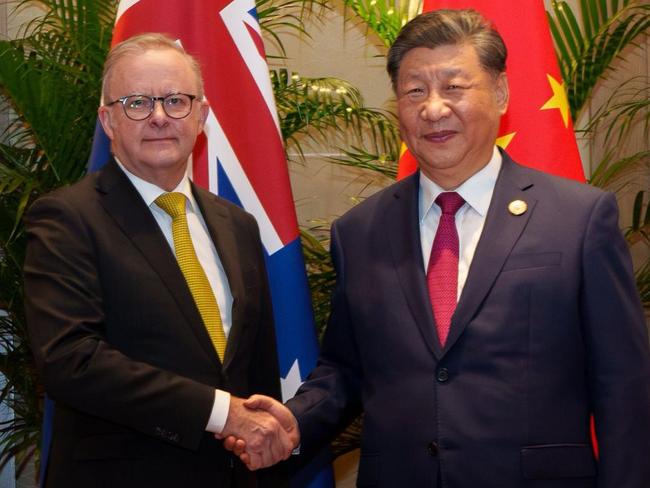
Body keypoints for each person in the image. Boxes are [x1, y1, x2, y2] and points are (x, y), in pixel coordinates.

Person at [227, 9, 650, 487]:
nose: (433, 109)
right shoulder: (360, 231)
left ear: (501, 93)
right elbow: (346, 369)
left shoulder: (579, 218)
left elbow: (625, 390)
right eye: (414, 91)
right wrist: (296, 422)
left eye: (454, 87)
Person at [23, 33, 297, 488]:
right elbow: (71, 360)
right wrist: (221, 412)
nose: (158, 117)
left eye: (175, 100)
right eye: (136, 103)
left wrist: (261, 431)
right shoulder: (66, 219)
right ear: (107, 121)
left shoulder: (238, 225)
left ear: (202, 116)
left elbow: (256, 369)